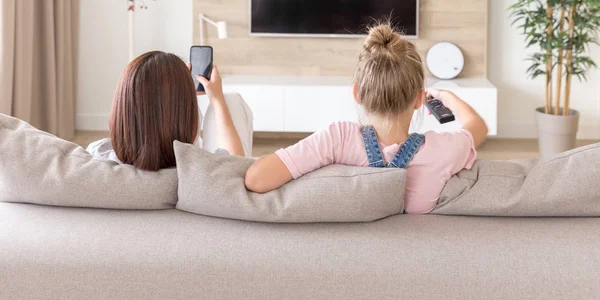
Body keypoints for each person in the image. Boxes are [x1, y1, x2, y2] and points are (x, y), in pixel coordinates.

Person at [244, 23, 488, 214]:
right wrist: (446, 96)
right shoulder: (443, 149)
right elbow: (477, 127)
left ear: (356, 93)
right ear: (418, 100)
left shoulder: (337, 139)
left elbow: (256, 179)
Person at [87, 51, 253, 171]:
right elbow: (237, 166)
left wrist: (180, 89)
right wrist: (217, 99)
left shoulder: (97, 155)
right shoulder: (199, 172)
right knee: (231, 100)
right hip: (178, 157)